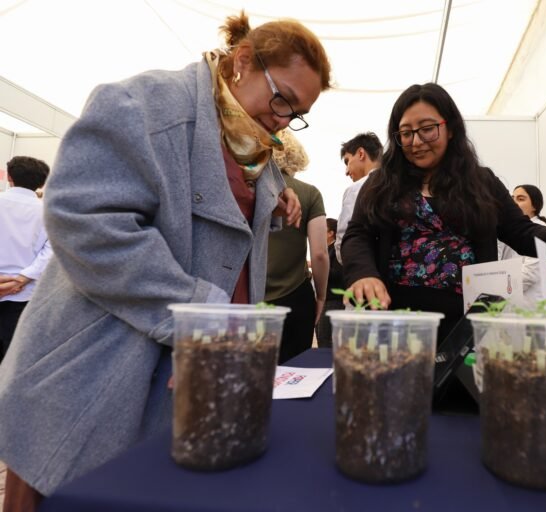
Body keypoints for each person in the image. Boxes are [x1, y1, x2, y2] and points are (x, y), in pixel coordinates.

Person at [0, 12, 331, 505]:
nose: (283, 121)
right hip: (94, 381)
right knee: (66, 493)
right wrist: (204, 317)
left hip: (181, 388)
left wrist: (274, 197)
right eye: (282, 99)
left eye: (296, 113)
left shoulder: (252, 143)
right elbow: (85, 219)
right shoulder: (144, 105)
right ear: (243, 61)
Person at [341, 83, 546, 344]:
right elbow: (357, 234)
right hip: (396, 321)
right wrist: (364, 274)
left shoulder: (480, 182)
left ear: (450, 128)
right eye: (406, 133)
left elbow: (522, 232)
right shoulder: (382, 184)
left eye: (427, 128)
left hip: (468, 324)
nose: (416, 141)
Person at [266, 130, 328, 363]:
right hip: (295, 295)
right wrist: (321, 296)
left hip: (253, 296)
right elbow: (319, 254)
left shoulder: (250, 190)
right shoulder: (310, 193)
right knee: (296, 370)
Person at [0, 156, 52, 364]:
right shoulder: (48, 213)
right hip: (24, 293)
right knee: (13, 356)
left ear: (9, 177)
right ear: (42, 183)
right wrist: (22, 278)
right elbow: (51, 251)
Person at [499, 184, 546, 310]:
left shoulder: (540, 231)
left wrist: (498, 288)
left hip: (531, 307)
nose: (514, 203)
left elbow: (529, 275)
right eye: (512, 199)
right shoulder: (510, 230)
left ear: (534, 206)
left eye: (520, 199)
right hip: (510, 302)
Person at [334, 132, 383, 264]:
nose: (346, 172)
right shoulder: (402, 184)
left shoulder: (356, 189)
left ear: (361, 154)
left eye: (347, 161)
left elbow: (344, 243)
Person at [315, 218, 345, 347]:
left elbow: (338, 275)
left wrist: (318, 265)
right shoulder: (327, 250)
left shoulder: (337, 250)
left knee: (325, 339)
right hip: (325, 299)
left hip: (334, 300)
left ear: (330, 233)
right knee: (320, 335)